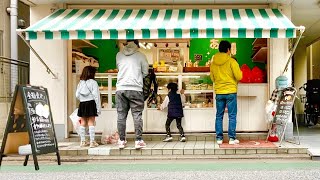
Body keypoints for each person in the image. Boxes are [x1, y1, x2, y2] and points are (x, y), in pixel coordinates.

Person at [116, 39, 149, 149]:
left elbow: (119, 68)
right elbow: (146, 72)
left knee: (121, 115)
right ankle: (138, 140)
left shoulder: (119, 55)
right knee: (137, 115)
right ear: (137, 44)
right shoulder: (141, 56)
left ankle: (121, 140)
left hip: (120, 88)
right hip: (135, 88)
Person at [210, 40, 243, 145]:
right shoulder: (232, 62)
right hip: (231, 92)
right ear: (228, 50)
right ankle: (232, 139)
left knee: (219, 115)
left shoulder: (213, 63)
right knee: (232, 115)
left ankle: (219, 138)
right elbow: (239, 76)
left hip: (219, 92)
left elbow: (212, 78)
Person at [76, 66, 101, 148]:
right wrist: (98, 108)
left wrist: (83, 99)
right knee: (91, 122)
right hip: (91, 103)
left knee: (83, 122)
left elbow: (77, 95)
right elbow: (96, 96)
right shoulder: (93, 82)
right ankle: (92, 142)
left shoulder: (80, 82)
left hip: (82, 104)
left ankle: (82, 141)